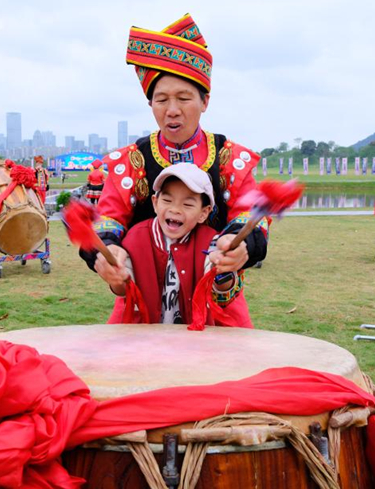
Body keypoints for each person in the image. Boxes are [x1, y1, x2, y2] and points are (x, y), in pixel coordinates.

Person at [83, 14, 268, 287]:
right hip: (144, 299)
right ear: (151, 105)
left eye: (183, 98)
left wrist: (241, 244)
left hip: (216, 296)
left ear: (205, 102)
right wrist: (107, 251)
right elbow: (107, 219)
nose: (172, 110)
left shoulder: (228, 158)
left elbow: (250, 216)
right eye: (161, 100)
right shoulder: (133, 161)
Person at [103, 163, 251, 326]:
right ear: (155, 203)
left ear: (203, 213)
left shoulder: (210, 240)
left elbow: (221, 290)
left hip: (193, 335)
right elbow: (124, 290)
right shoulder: (135, 238)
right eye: (167, 200)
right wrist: (117, 278)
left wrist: (223, 269)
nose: (175, 209)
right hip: (146, 335)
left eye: (187, 204)